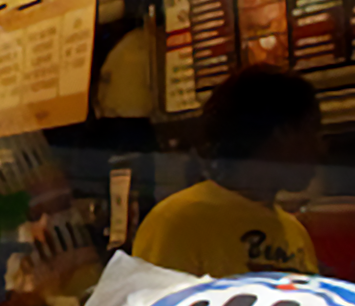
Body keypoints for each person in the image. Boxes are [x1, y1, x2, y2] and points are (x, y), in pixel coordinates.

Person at [132, 62, 324, 278]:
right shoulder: (177, 223)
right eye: (313, 131)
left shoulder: (295, 233)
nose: (320, 148)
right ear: (282, 133)